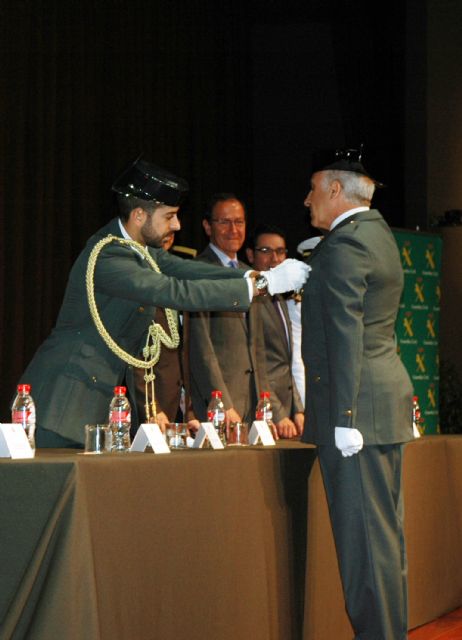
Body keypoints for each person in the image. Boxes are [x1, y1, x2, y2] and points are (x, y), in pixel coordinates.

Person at [18, 158, 309, 447]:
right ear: (140, 216)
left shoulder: (140, 252)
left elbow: (190, 270)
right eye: (169, 216)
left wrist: (253, 274)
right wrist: (260, 286)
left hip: (101, 403)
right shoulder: (109, 256)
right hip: (65, 402)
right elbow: (175, 290)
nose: (177, 224)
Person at [301, 148, 415, 639]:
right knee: (383, 547)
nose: (306, 200)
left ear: (333, 189)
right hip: (379, 404)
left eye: (312, 189)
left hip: (357, 414)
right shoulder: (377, 234)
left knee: (365, 550)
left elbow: (346, 331)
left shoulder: (346, 245)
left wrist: (343, 416)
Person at [188, 193, 269, 426]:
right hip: (219, 407)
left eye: (239, 222)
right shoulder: (198, 272)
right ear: (207, 226)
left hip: (253, 404)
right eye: (224, 222)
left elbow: (258, 346)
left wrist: (264, 402)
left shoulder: (251, 274)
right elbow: (200, 345)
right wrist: (222, 402)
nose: (234, 229)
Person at [245, 223, 304, 438]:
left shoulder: (280, 296)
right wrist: (277, 413)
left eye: (280, 252)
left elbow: (287, 363)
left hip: (289, 413)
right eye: (266, 251)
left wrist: (298, 409)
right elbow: (259, 363)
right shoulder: (252, 299)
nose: (275, 259)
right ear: (250, 255)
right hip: (265, 412)